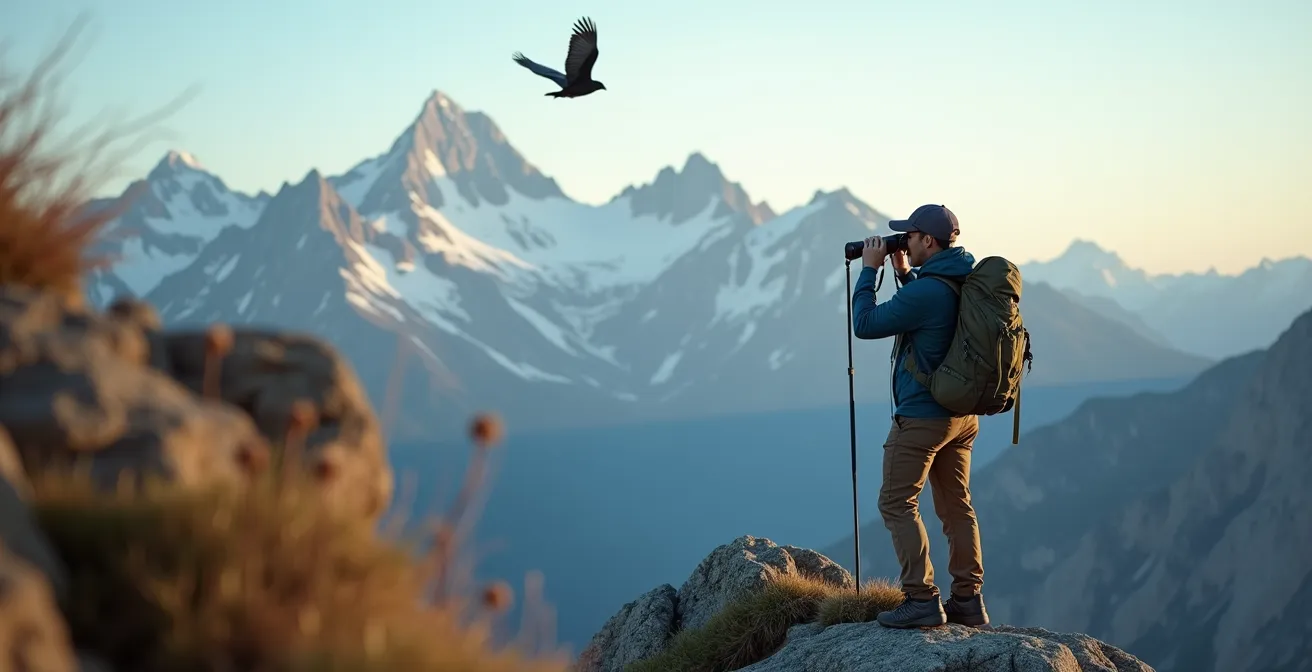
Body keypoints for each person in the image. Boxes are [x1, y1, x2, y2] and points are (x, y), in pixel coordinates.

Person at [850, 203, 989, 629]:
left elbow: (866, 323)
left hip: (923, 419)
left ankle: (921, 599)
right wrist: (904, 271)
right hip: (962, 418)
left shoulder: (928, 290)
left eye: (908, 236)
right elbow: (935, 319)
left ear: (928, 240)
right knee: (955, 506)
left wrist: (870, 270)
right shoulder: (960, 277)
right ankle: (968, 601)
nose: (903, 242)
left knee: (895, 501)